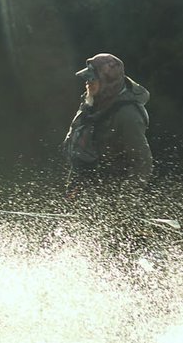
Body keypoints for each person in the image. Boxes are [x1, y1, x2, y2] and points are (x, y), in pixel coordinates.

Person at [63, 52, 152, 219]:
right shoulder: (91, 105)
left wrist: (125, 201)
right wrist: (73, 189)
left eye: (92, 78)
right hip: (87, 195)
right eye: (87, 78)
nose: (88, 82)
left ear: (107, 81)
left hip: (115, 201)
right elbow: (81, 151)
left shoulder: (127, 115)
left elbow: (143, 162)